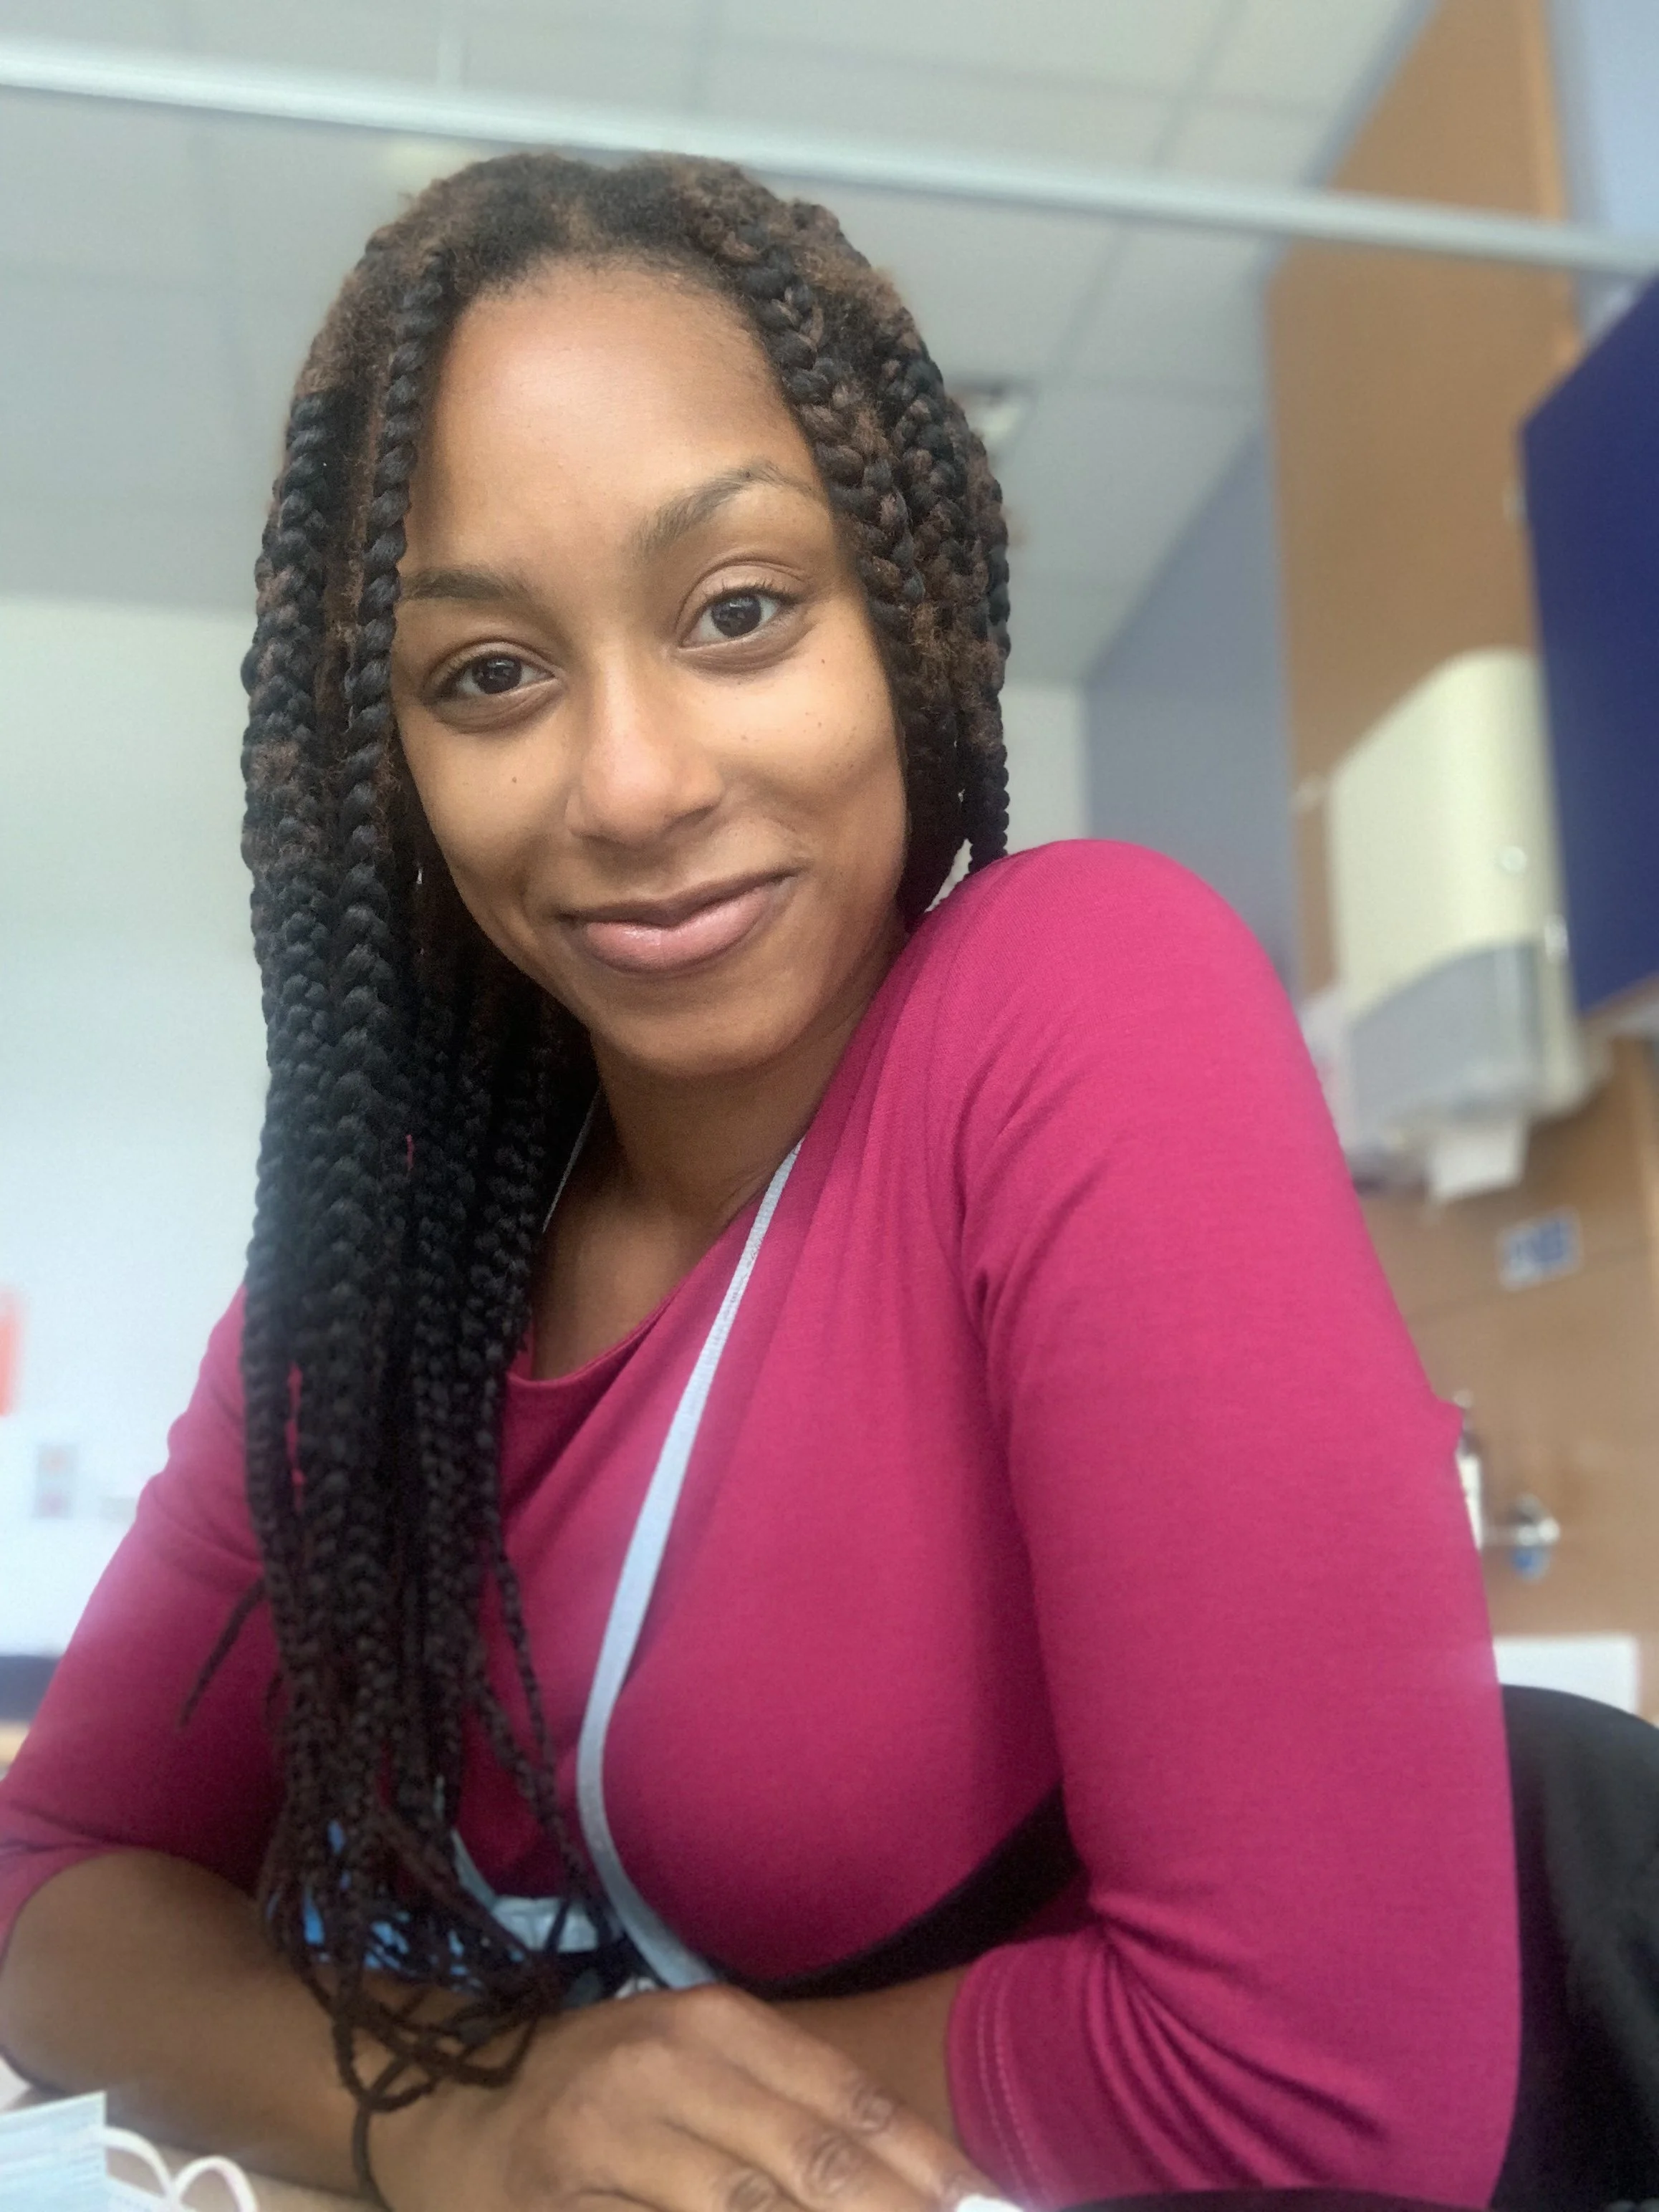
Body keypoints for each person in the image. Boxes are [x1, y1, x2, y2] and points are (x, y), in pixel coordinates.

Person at [0, 153, 1518, 2212]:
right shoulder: (371, 1285)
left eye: (739, 610)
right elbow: (51, 1881)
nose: (633, 783)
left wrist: (559, 2114)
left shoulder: (1074, 1008)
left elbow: (1323, 2086)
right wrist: (476, 2119)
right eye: (489, 674)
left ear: (903, 618)